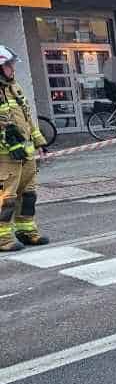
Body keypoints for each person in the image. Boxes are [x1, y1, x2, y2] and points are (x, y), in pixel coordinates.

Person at [0, 45, 49, 251]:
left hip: (26, 154)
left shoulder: (15, 87)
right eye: (9, 65)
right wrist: (7, 140)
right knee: (6, 198)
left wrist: (39, 142)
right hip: (5, 156)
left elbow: (27, 117)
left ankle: (26, 231)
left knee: (28, 195)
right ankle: (2, 238)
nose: (13, 68)